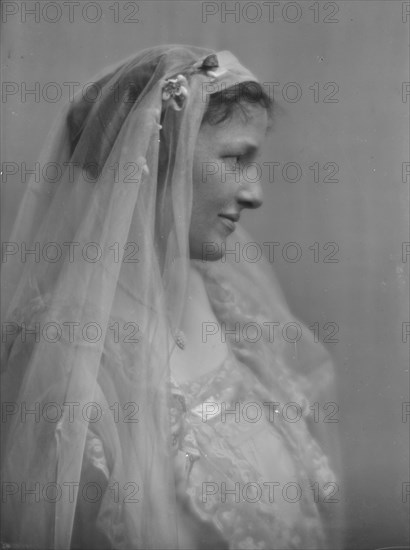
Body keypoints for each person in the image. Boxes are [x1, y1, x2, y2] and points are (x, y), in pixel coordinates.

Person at [1, 45, 343, 549]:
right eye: (236, 159)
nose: (255, 194)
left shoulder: (232, 309)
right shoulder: (68, 367)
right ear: (157, 158)